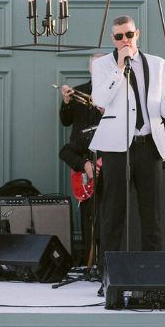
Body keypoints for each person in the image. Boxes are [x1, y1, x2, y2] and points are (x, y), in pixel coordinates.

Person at [89, 15, 165, 254]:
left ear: (137, 34)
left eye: (129, 34)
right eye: (119, 36)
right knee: (113, 211)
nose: (125, 40)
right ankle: (109, 272)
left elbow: (164, 112)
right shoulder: (103, 65)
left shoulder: (158, 64)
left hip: (150, 145)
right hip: (117, 147)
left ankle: (153, 271)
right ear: (113, 38)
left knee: (152, 213)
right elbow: (100, 100)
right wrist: (119, 68)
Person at [58, 55, 105, 263]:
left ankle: (106, 260)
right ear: (89, 69)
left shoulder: (116, 91)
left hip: (107, 154)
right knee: (88, 214)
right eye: (94, 66)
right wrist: (66, 102)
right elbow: (66, 121)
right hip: (81, 152)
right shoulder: (79, 90)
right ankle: (89, 262)